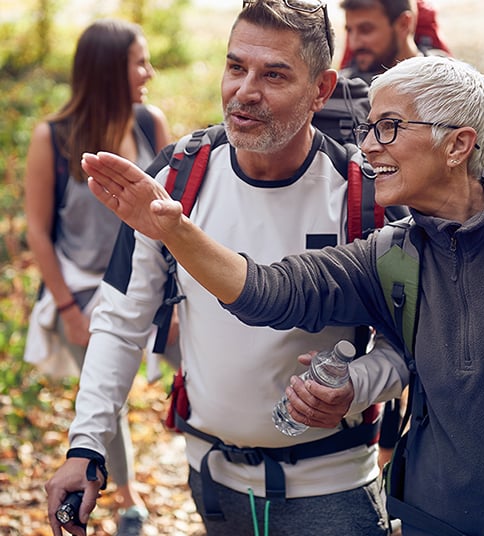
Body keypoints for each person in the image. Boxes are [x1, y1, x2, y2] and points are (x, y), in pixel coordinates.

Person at [81, 54, 484, 535]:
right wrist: (174, 231)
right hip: (431, 518)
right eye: (367, 128)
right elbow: (272, 291)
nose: (368, 146)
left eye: (388, 127)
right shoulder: (390, 256)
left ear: (458, 145)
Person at [43, 1, 409, 535]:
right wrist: (87, 446)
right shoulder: (175, 179)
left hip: (333, 488)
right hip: (212, 484)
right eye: (236, 67)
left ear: (321, 90)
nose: (245, 90)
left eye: (274, 74)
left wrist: (358, 382)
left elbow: (413, 341)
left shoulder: (363, 194)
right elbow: (120, 323)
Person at [24, 18, 170, 536]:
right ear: (111, 71)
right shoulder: (53, 137)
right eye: (139, 61)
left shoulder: (150, 124)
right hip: (82, 286)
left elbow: (172, 217)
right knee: (106, 382)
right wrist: (68, 309)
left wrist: (173, 308)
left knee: (201, 354)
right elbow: (38, 233)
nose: (148, 71)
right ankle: (129, 500)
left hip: (148, 280)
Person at [339, 0, 450, 84]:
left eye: (366, 30)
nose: (354, 44)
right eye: (349, 30)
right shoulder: (341, 87)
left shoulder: (447, 80)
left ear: (404, 24)